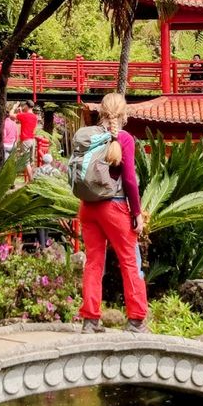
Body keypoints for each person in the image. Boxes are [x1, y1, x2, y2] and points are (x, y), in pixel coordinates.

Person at [75, 92, 147, 333]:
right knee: (130, 261)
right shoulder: (123, 138)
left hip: (87, 208)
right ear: (123, 113)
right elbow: (129, 179)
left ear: (101, 111)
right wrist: (136, 212)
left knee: (94, 263)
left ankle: (90, 320)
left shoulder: (89, 136)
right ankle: (136, 320)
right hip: (114, 207)